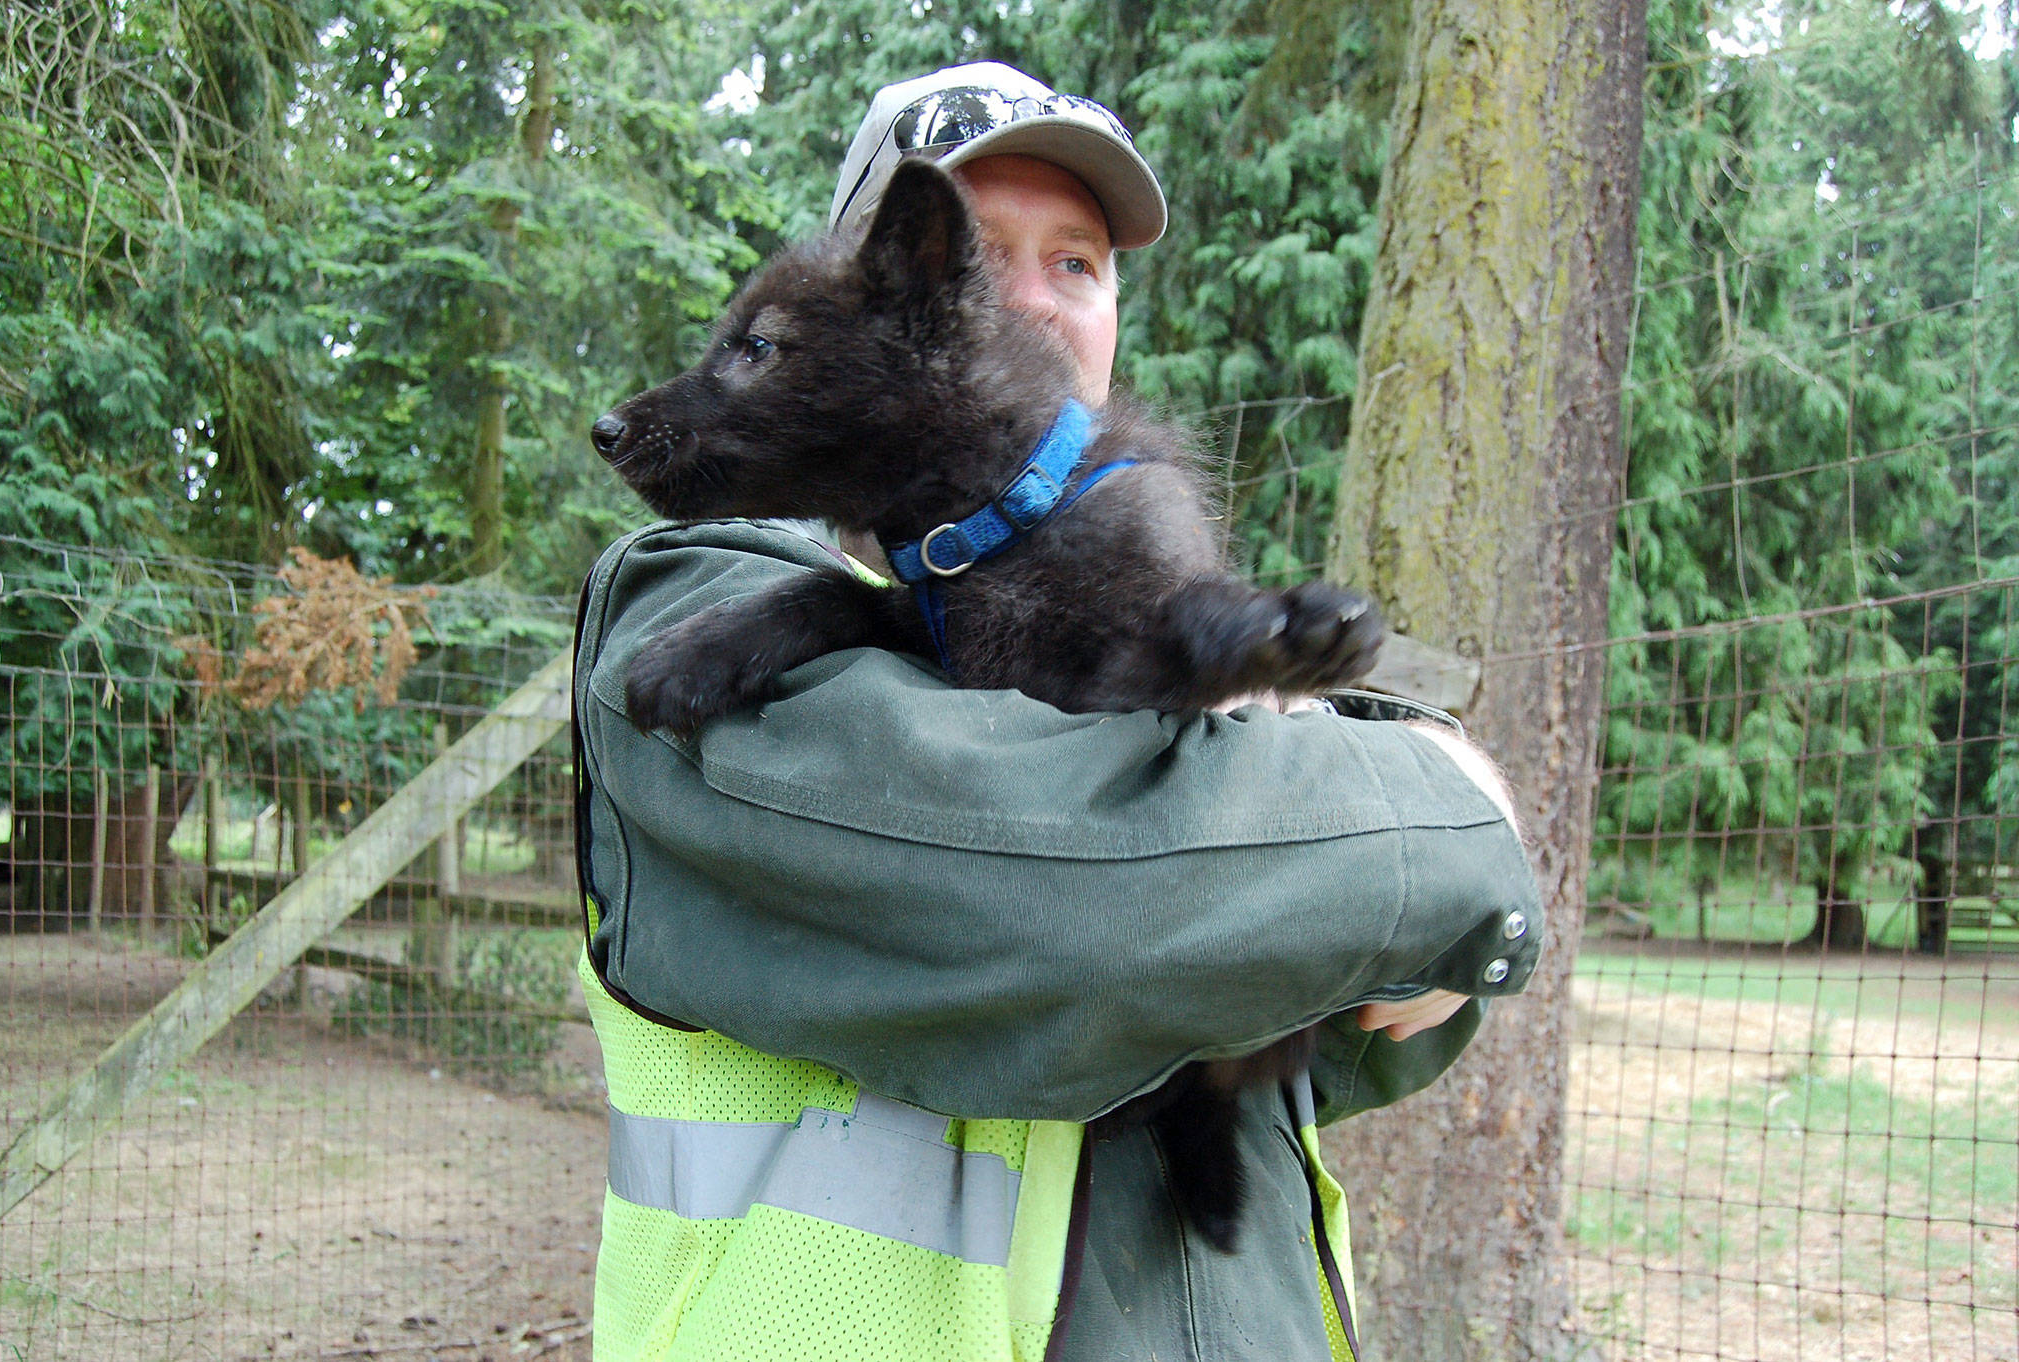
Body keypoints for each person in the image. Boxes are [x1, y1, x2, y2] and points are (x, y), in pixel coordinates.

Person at [571, 61, 1541, 1362]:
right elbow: (1091, 909)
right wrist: (1446, 822)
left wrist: (1407, 932)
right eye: (967, 252)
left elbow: (1360, 1026)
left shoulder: (1125, 552)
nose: (1025, 299)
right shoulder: (693, 608)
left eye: (1076, 262)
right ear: (872, 299)